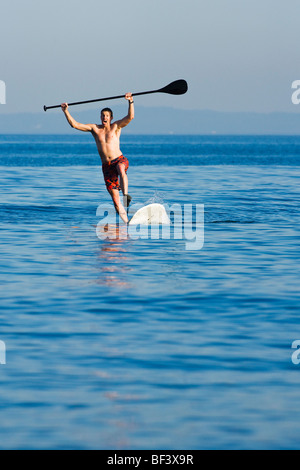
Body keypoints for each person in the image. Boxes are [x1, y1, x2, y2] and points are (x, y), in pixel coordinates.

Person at [61, 93, 134, 223]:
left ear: (111, 118)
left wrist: (130, 102)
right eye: (102, 115)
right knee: (115, 202)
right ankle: (127, 223)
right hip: (106, 166)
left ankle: (126, 196)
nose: (104, 117)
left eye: (107, 116)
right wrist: (66, 111)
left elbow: (130, 117)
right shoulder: (95, 129)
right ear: (100, 117)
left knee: (121, 169)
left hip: (119, 159)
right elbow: (75, 124)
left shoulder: (116, 126)